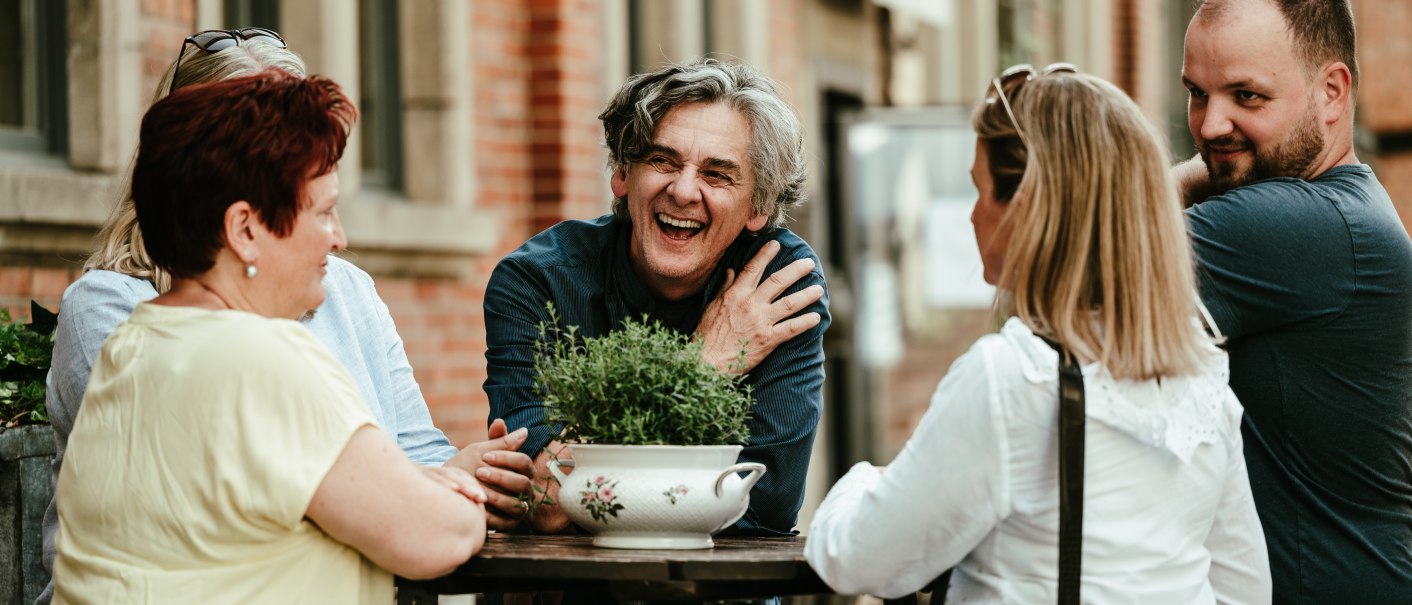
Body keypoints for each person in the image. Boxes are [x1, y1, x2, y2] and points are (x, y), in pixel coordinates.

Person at [41, 29, 530, 605]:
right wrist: (454, 491)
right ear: (245, 230)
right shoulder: (265, 358)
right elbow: (436, 536)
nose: (341, 239)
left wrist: (406, 490)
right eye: (322, 213)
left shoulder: (142, 342)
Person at [803, 67, 1271, 603]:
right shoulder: (1202, 380)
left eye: (979, 191)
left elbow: (858, 560)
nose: (973, 216)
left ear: (1025, 207)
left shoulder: (1011, 379)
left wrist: (861, 482)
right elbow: (1244, 589)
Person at [484, 58, 830, 536]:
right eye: (662, 161)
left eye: (717, 174)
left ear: (759, 207)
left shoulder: (780, 283)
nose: (683, 190)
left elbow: (763, 510)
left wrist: (598, 474)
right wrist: (702, 367)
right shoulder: (537, 281)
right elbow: (544, 499)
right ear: (623, 175)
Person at [1177, 1, 1412, 600]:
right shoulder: (1349, 209)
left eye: (1246, 97)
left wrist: (1192, 176)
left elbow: (1063, 253)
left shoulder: (1302, 226)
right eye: (1198, 95)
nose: (1209, 126)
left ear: (1332, 93)